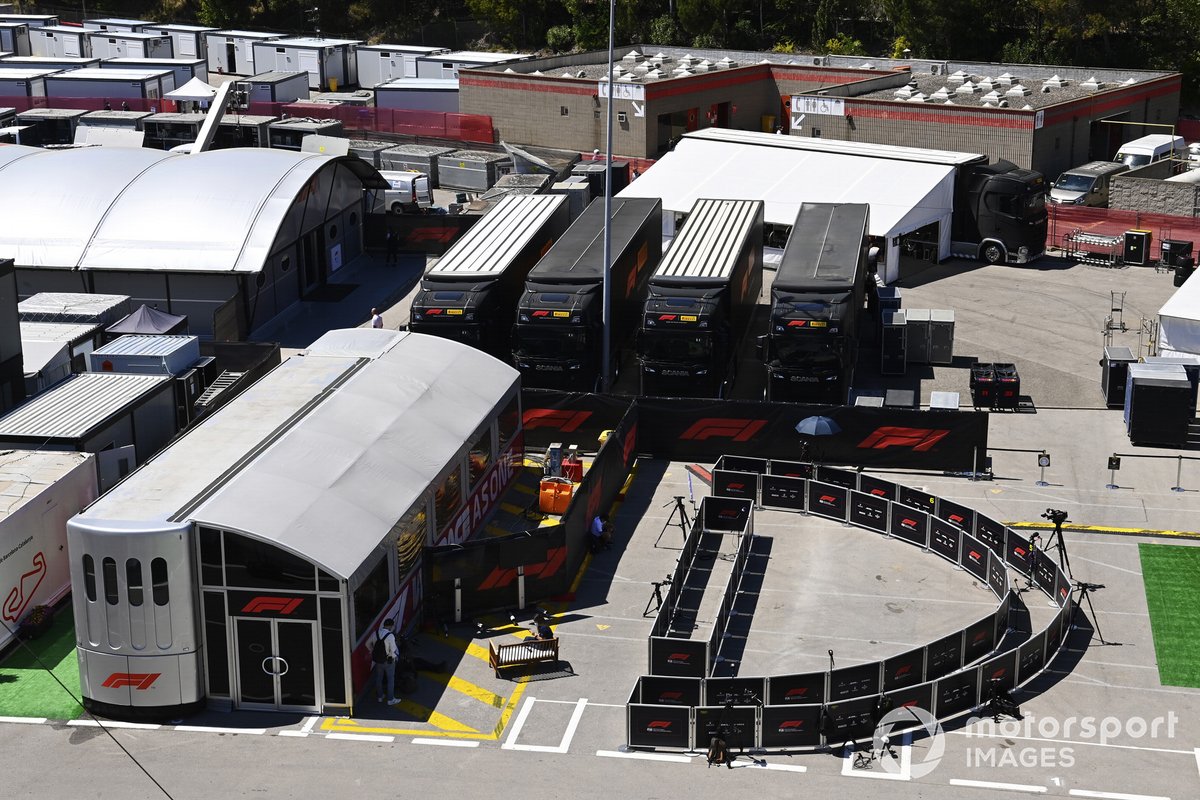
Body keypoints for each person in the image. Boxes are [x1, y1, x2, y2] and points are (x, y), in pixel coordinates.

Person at [372, 618, 401, 705]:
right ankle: (390, 699)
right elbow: (393, 650)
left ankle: (380, 697)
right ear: (391, 626)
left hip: (378, 660)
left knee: (379, 678)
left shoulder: (375, 633)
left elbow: (368, 644)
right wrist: (395, 658)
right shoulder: (390, 636)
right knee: (390, 679)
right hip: (388, 661)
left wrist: (373, 651)